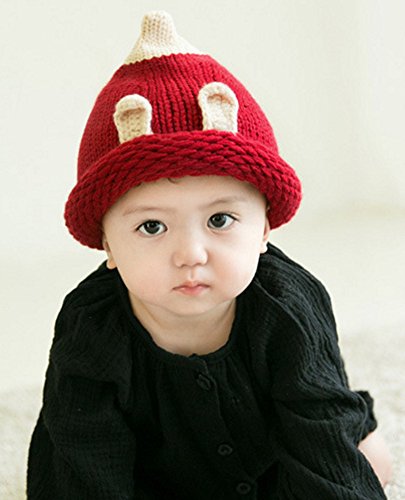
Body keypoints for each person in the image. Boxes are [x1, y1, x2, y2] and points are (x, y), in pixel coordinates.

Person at [27, 10, 392, 499]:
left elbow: (317, 422)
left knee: (369, 459)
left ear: (264, 228)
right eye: (152, 226)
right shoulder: (90, 325)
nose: (191, 254)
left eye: (220, 220)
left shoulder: (288, 305)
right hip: (156, 474)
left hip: (273, 455)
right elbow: (83, 453)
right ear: (107, 244)